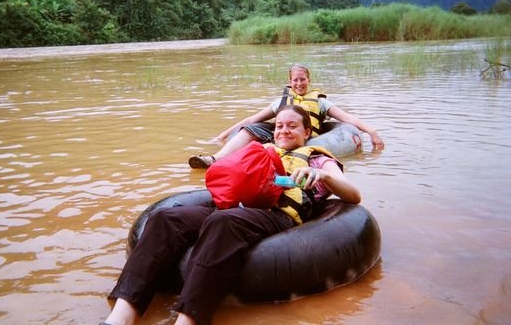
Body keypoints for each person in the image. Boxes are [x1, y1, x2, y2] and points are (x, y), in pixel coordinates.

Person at [100, 105, 361, 325]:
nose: (283, 130)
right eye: (279, 126)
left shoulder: (317, 159)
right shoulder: (261, 150)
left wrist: (325, 176)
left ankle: (186, 320)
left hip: (276, 215)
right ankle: (121, 317)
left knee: (222, 221)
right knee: (165, 219)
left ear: (307, 131)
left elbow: (353, 196)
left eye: (292, 126)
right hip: (233, 207)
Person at [188, 63, 384, 169]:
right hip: (279, 134)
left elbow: (347, 118)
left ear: (309, 80)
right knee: (250, 130)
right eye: (295, 80)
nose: (299, 84)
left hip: (303, 138)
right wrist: (221, 136)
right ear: (289, 82)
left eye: (303, 79)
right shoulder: (280, 101)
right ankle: (214, 160)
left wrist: (372, 132)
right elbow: (252, 120)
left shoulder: (321, 102)